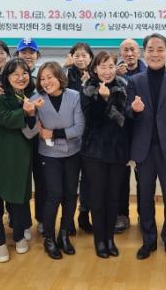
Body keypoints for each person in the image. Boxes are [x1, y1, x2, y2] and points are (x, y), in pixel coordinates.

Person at [126, 33, 166, 263]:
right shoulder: (135, 81)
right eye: (151, 50)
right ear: (144, 53)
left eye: (160, 49)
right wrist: (133, 110)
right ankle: (148, 240)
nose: (155, 54)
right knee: (144, 197)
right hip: (144, 150)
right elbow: (127, 115)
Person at [0, 58, 42, 263]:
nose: (21, 78)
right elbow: (4, 118)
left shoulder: (31, 95)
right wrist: (25, 110)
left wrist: (30, 112)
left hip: (20, 153)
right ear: (7, 77)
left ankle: (20, 236)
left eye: (24, 73)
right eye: (15, 74)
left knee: (19, 197)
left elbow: (33, 124)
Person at [32, 62, 85, 259]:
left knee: (71, 194)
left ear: (59, 77)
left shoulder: (74, 96)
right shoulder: (36, 99)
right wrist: (31, 116)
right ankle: (49, 239)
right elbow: (31, 130)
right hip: (49, 154)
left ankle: (64, 235)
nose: (46, 82)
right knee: (54, 195)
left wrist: (53, 133)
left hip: (73, 153)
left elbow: (79, 128)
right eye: (42, 79)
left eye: (50, 77)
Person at [80, 51, 129, 258]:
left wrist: (134, 112)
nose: (107, 71)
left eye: (111, 66)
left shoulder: (124, 86)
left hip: (117, 151)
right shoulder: (88, 88)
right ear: (95, 69)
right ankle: (100, 241)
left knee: (113, 198)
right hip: (94, 151)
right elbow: (93, 118)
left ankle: (110, 239)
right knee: (98, 199)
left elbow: (126, 120)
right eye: (103, 67)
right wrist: (103, 99)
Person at [115, 38, 147, 234]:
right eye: (125, 50)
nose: (129, 54)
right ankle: (122, 215)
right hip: (122, 133)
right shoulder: (114, 74)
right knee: (121, 177)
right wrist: (115, 77)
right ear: (121, 53)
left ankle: (145, 215)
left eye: (132, 50)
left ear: (139, 52)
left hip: (143, 131)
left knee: (144, 177)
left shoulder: (148, 72)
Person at [13, 38, 43, 239]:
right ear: (17, 55)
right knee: (20, 182)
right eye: (23, 52)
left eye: (31, 52)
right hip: (17, 139)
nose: (28, 55)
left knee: (42, 182)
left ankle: (41, 219)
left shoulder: (43, 77)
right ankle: (20, 221)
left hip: (40, 139)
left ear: (37, 55)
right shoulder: (10, 78)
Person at [64, 42, 94, 234]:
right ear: (71, 57)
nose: (81, 59)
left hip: (91, 136)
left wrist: (88, 83)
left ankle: (84, 214)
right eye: (77, 55)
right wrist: (64, 67)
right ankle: (68, 220)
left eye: (84, 55)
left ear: (90, 58)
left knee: (88, 179)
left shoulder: (96, 75)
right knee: (70, 180)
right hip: (71, 135)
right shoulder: (65, 75)